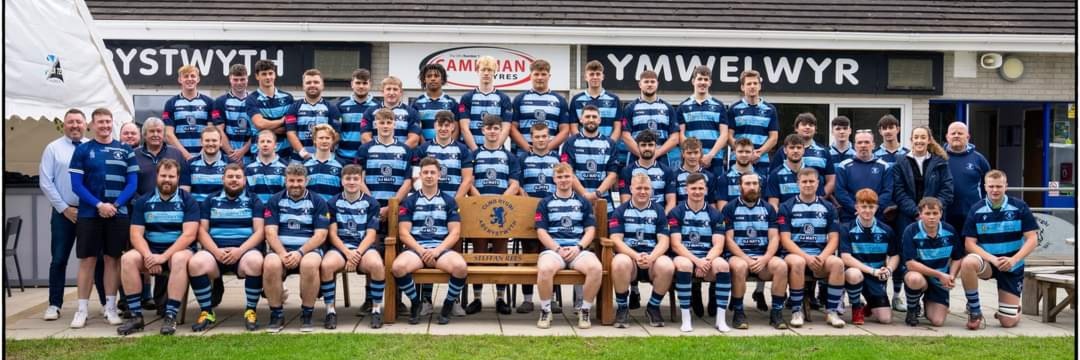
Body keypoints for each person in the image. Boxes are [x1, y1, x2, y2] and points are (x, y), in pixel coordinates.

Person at [68, 108, 139, 328]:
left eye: (108, 121)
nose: (105, 125)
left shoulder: (125, 150)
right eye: (100, 122)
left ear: (112, 123)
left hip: (118, 214)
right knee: (87, 261)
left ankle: (110, 308)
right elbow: (76, 185)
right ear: (92, 125)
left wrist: (114, 205)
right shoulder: (83, 150)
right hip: (90, 214)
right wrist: (99, 205)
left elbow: (132, 184)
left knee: (112, 260)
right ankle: (82, 310)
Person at [116, 159, 198, 335]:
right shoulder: (143, 201)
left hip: (178, 252)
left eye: (171, 176)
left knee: (179, 258)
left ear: (178, 178)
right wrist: (148, 256)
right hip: (151, 251)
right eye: (163, 175)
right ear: (157, 176)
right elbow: (135, 234)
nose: (167, 179)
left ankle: (170, 316)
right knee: (127, 259)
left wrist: (163, 257)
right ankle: (136, 317)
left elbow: (189, 235)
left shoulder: (188, 200)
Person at [40, 109, 106, 321]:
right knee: (59, 259)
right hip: (64, 212)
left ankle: (105, 304)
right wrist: (64, 208)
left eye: (79, 121)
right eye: (71, 122)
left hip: (90, 212)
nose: (75, 125)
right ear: (64, 124)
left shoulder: (92, 147)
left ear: (86, 124)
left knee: (97, 258)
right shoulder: (53, 148)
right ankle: (54, 304)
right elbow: (45, 182)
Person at [186, 163, 265, 332]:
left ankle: (250, 311)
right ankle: (207, 312)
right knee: (195, 263)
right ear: (223, 179)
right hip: (215, 252)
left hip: (243, 253)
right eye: (230, 177)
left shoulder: (254, 200)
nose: (234, 180)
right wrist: (215, 251)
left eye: (238, 177)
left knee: (256, 261)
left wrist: (240, 251)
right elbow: (202, 231)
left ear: (244, 180)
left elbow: (259, 232)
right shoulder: (210, 200)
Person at [393, 157, 470, 325]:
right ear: (420, 175)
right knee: (398, 267)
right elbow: (404, 233)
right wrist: (422, 251)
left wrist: (436, 251)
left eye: (432, 172)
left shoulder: (449, 201)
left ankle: (447, 305)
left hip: (440, 249)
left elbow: (455, 233)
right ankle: (415, 303)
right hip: (416, 249)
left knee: (461, 268)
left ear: (439, 175)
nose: (429, 176)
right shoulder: (410, 201)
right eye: (425, 172)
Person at [958, 170, 1038, 329]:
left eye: (999, 186)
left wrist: (1014, 260)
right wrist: (993, 259)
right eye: (991, 186)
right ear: (985, 187)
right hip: (989, 262)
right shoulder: (976, 209)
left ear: (1006, 186)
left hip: (1012, 264)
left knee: (1007, 322)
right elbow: (969, 244)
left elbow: (1033, 239)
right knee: (967, 262)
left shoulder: (1020, 207)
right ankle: (975, 311)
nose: (995, 190)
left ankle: (1012, 310)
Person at [262, 163, 330, 333]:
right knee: (270, 264)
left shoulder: (318, 201)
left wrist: (300, 252)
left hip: (308, 250)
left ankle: (307, 314)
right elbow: (270, 232)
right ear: (285, 181)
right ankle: (276, 314)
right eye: (291, 180)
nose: (295, 184)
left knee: (309, 264)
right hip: (281, 250)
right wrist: (282, 253)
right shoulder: (275, 200)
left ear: (306, 181)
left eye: (299, 181)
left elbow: (321, 235)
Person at [892, 126, 954, 311]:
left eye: (923, 137)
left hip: (934, 218)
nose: (919, 140)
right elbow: (899, 191)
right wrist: (917, 212)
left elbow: (947, 190)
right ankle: (902, 297)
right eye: (916, 137)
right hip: (908, 217)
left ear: (929, 140)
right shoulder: (900, 161)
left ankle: (935, 293)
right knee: (906, 257)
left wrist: (932, 211)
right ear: (911, 140)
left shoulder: (940, 162)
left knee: (933, 255)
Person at [534, 163, 603, 329]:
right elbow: (541, 232)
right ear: (554, 179)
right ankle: (545, 310)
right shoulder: (545, 202)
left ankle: (584, 310)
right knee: (544, 269)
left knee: (596, 268)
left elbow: (590, 230)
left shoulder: (583, 202)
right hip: (554, 250)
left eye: (567, 176)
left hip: (577, 250)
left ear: (573, 178)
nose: (563, 180)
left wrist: (578, 247)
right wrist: (557, 249)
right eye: (560, 177)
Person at [778, 168, 846, 328]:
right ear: (798, 183)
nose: (808, 184)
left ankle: (832, 312)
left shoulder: (828, 207)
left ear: (818, 183)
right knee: (798, 262)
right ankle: (796, 311)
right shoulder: (786, 206)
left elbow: (834, 238)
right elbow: (785, 240)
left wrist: (822, 257)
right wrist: (806, 257)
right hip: (795, 255)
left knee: (837, 263)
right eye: (804, 181)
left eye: (811, 181)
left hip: (819, 255)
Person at [321, 164, 386, 329]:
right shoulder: (332, 202)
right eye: (348, 178)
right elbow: (332, 234)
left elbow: (371, 235)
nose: (351, 182)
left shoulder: (372, 203)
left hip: (363, 247)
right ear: (341, 181)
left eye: (356, 179)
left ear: (361, 180)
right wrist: (347, 253)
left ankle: (376, 310)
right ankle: (330, 311)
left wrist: (356, 253)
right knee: (326, 265)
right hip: (340, 248)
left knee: (377, 265)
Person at [467, 115, 521, 314]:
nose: (492, 131)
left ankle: (500, 298)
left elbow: (514, 184)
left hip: (502, 213)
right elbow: (469, 182)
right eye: (488, 128)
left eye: (495, 128)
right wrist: (483, 203)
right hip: (478, 211)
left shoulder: (510, 157)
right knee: (479, 254)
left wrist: (498, 203)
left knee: (500, 254)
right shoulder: (474, 155)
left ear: (501, 131)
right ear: (482, 130)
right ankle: (477, 298)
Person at [721, 172, 789, 330]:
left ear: (759, 186)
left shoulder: (769, 209)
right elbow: (729, 240)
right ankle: (738, 312)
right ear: (740, 187)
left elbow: (774, 237)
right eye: (747, 184)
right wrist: (746, 259)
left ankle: (776, 313)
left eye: (754, 183)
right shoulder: (730, 208)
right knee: (739, 267)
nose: (751, 187)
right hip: (739, 255)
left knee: (781, 266)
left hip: (763, 256)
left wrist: (765, 258)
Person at [668, 173, 731, 332]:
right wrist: (697, 261)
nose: (697, 192)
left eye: (701, 188)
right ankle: (686, 318)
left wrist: (706, 261)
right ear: (686, 189)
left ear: (706, 190)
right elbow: (676, 245)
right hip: (684, 256)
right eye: (693, 188)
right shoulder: (676, 212)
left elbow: (718, 245)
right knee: (684, 265)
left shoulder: (715, 214)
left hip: (707, 256)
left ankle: (721, 319)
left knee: (723, 265)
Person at [610, 173, 674, 328]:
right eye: (639, 188)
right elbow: (616, 240)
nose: (643, 192)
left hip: (652, 259)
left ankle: (653, 307)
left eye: (646, 188)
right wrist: (636, 255)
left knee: (667, 265)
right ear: (631, 189)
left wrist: (651, 257)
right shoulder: (620, 211)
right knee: (619, 262)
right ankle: (622, 308)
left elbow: (664, 241)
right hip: (630, 259)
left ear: (651, 190)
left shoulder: (659, 210)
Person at [516, 122, 561, 314]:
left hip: (553, 213)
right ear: (531, 139)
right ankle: (527, 299)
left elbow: (562, 184)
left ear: (549, 138)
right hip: (529, 212)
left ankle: (552, 298)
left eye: (544, 136)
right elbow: (517, 184)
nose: (541, 140)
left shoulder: (557, 159)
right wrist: (524, 197)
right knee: (529, 253)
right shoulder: (523, 158)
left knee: (552, 254)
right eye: (537, 137)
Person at [839, 189, 899, 325]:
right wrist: (872, 271)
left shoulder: (886, 230)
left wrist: (889, 269)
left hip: (876, 276)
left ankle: (870, 306)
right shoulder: (846, 228)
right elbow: (846, 257)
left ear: (877, 207)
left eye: (871, 207)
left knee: (885, 319)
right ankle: (856, 307)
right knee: (854, 274)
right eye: (864, 206)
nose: (867, 210)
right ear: (857, 207)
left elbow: (894, 255)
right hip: (856, 273)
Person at [901, 197, 962, 327]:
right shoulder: (910, 231)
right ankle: (912, 308)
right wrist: (940, 275)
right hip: (920, 275)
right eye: (927, 213)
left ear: (941, 213)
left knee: (937, 321)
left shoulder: (950, 230)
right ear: (920, 214)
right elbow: (910, 264)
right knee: (914, 279)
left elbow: (957, 258)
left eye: (935, 213)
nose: (932, 217)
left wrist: (951, 276)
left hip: (939, 280)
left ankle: (928, 302)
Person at [357, 108, 416, 217]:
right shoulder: (364, 149)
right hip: (370, 206)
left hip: (396, 208)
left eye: (389, 122)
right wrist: (374, 205)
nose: (385, 126)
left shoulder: (406, 150)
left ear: (394, 124)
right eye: (382, 123)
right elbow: (359, 180)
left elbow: (407, 183)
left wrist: (391, 207)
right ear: (375, 124)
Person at [562, 104, 619, 216]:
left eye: (594, 117)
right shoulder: (570, 143)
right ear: (581, 120)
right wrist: (585, 195)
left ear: (599, 120)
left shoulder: (610, 144)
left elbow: (612, 176)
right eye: (587, 116)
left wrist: (597, 194)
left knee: (604, 228)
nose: (591, 120)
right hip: (576, 202)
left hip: (604, 202)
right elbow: (568, 173)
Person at [677, 66, 729, 177]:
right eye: (699, 79)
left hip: (715, 159)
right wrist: (696, 156)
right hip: (691, 161)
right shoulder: (683, 107)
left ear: (710, 82)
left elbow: (724, 135)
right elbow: (681, 135)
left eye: (706, 79)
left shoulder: (719, 106)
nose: (703, 82)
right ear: (693, 81)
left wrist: (710, 155)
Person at [622, 70, 679, 168]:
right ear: (640, 84)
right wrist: (643, 155)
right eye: (646, 82)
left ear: (657, 84)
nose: (649, 84)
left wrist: (656, 153)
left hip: (661, 158)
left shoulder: (668, 108)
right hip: (636, 158)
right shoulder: (630, 108)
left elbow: (675, 137)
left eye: (652, 81)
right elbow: (625, 136)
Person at [772, 113, 835, 200]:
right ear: (796, 128)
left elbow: (831, 180)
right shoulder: (783, 151)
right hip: (786, 202)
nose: (807, 127)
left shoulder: (824, 151)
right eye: (804, 124)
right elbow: (774, 177)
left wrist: (819, 199)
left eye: (811, 125)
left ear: (815, 129)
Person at [836, 130, 894, 224]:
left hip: (877, 217)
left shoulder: (884, 166)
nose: (863, 145)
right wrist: (858, 209)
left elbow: (888, 192)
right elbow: (840, 192)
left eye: (867, 142)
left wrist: (871, 209)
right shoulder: (843, 166)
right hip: (850, 217)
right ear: (855, 146)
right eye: (859, 142)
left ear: (873, 145)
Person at [569, 60, 623, 161]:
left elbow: (617, 127)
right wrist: (582, 144)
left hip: (606, 150)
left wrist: (609, 145)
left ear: (603, 76)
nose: (595, 77)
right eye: (591, 74)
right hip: (583, 150)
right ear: (586, 77)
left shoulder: (614, 99)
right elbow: (573, 127)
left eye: (598, 74)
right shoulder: (576, 100)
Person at [285, 69, 342, 163]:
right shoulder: (294, 107)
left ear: (322, 85)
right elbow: (291, 133)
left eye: (316, 82)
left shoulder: (332, 108)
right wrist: (304, 154)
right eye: (308, 82)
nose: (312, 85)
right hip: (298, 159)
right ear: (303, 86)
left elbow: (336, 134)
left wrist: (321, 153)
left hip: (324, 159)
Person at [163, 65, 218, 160]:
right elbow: (168, 134)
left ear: (198, 79)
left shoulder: (209, 102)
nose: (189, 79)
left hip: (204, 157)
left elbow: (211, 131)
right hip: (179, 157)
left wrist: (201, 154)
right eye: (186, 76)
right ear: (180, 80)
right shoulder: (171, 103)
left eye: (193, 76)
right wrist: (186, 155)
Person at [727, 70, 778, 174]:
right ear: (742, 87)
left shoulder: (770, 109)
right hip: (738, 162)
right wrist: (743, 153)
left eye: (755, 83)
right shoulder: (734, 108)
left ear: (760, 86)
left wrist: (759, 153)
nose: (752, 86)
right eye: (749, 84)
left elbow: (774, 138)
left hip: (761, 161)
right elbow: (728, 136)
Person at [458, 56, 513, 151]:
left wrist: (493, 149)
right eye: (483, 69)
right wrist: (476, 151)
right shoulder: (466, 98)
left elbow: (506, 129)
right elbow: (464, 128)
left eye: (490, 70)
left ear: (495, 72)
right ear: (477, 71)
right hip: (471, 151)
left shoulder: (504, 98)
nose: (486, 73)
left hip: (496, 151)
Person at [416, 110, 474, 199]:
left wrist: (454, 202)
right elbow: (416, 177)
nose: (443, 129)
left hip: (454, 200)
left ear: (453, 127)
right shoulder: (424, 148)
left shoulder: (463, 149)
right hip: (429, 201)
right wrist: (426, 198)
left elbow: (467, 180)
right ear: (435, 126)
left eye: (446, 125)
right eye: (440, 125)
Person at [945, 122, 991, 233]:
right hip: (944, 214)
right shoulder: (939, 158)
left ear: (968, 137)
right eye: (953, 133)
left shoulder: (979, 159)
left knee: (971, 242)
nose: (956, 135)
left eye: (960, 133)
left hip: (972, 213)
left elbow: (989, 186)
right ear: (947, 137)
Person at [246, 59, 295, 160]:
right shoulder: (251, 99)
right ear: (257, 76)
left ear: (275, 74)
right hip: (259, 154)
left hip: (285, 153)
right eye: (264, 74)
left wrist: (265, 129)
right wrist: (281, 121)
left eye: (270, 73)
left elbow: (290, 126)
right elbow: (260, 123)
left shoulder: (288, 98)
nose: (268, 77)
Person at [619, 130, 676, 212]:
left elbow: (671, 202)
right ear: (638, 147)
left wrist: (663, 217)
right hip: (635, 217)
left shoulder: (667, 171)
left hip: (660, 217)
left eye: (650, 145)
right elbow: (625, 202)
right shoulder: (627, 171)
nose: (647, 148)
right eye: (643, 145)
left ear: (656, 146)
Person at [767, 134, 824, 210]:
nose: (795, 151)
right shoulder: (775, 174)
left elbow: (819, 202)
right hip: (784, 216)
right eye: (792, 147)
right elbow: (773, 204)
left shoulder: (813, 174)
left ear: (803, 150)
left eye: (799, 147)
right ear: (785, 150)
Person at [337, 68, 381, 165]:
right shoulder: (340, 105)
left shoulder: (379, 107)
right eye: (358, 83)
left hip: (369, 157)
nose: (361, 86)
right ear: (352, 84)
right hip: (344, 157)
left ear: (370, 84)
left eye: (364, 83)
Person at [361, 76, 421, 147]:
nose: (391, 93)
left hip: (402, 153)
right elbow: (365, 138)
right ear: (382, 92)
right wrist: (379, 151)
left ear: (400, 92)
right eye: (388, 89)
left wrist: (396, 152)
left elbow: (414, 140)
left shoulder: (412, 113)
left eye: (395, 89)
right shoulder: (370, 112)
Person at [215, 64, 255, 164]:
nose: (239, 83)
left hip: (251, 157)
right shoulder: (220, 101)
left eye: (242, 79)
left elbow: (257, 131)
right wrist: (233, 155)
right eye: (235, 80)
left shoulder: (255, 101)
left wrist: (243, 151)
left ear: (247, 79)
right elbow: (218, 131)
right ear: (230, 79)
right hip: (227, 157)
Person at [412, 63, 459, 142]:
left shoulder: (452, 102)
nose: (433, 79)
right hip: (425, 148)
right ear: (424, 79)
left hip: (447, 148)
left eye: (436, 76)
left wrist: (449, 146)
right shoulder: (416, 103)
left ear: (442, 79)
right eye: (429, 76)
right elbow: (416, 130)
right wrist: (425, 147)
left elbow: (456, 129)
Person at [181, 127, 229, 203]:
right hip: (197, 208)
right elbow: (185, 195)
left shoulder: (230, 164)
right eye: (207, 140)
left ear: (220, 142)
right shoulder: (189, 164)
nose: (210, 144)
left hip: (220, 208)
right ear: (201, 142)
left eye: (214, 140)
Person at [245, 129, 288, 204]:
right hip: (255, 208)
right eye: (262, 141)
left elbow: (286, 193)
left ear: (276, 145)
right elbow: (247, 193)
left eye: (269, 141)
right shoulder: (248, 168)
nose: (265, 144)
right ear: (257, 145)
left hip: (277, 208)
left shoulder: (285, 167)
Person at [673, 137, 719, 207]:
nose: (692, 156)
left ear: (701, 154)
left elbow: (712, 203)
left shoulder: (710, 176)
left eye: (696, 152)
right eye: (689, 153)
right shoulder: (674, 176)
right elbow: (673, 204)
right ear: (683, 154)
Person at [303, 124, 344, 202]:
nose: (324, 141)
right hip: (310, 208)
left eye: (327, 138)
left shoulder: (341, 165)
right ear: (314, 140)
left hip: (332, 208)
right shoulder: (305, 165)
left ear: (332, 140)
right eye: (321, 138)